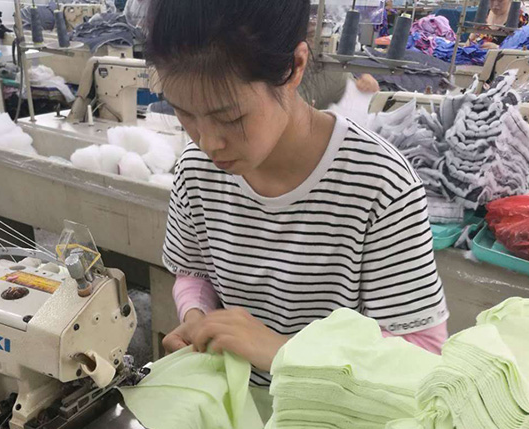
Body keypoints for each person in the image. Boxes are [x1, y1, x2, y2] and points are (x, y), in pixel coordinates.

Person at [146, 0, 449, 386]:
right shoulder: (196, 169)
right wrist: (199, 317)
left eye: (230, 118)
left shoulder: (380, 185)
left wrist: (284, 352)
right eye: (185, 113)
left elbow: (421, 352)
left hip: (331, 412)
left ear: (295, 67)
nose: (208, 142)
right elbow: (194, 272)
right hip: (236, 401)